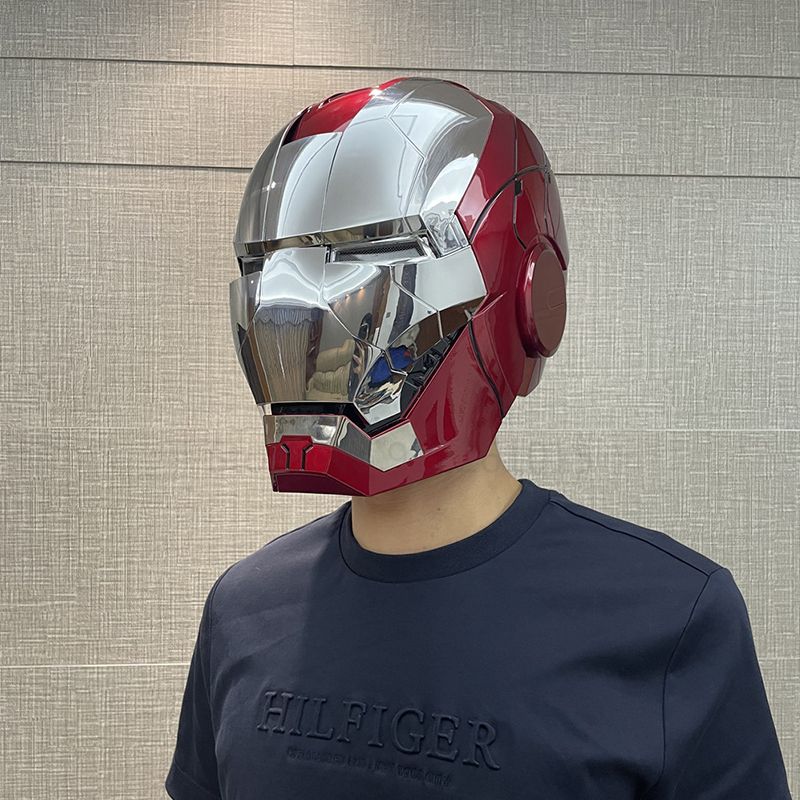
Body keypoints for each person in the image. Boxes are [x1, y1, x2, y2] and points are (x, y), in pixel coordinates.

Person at [165, 78, 793, 799]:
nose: (291, 303)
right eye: (262, 262)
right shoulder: (242, 608)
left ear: (529, 299)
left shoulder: (670, 618)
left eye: (374, 248)